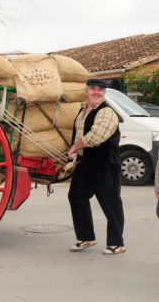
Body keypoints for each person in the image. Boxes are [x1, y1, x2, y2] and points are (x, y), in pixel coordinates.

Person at [67, 78, 126, 255]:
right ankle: (87, 237)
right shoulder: (83, 110)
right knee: (76, 196)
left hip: (105, 164)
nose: (96, 92)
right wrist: (74, 154)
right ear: (86, 91)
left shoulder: (107, 112)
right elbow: (79, 132)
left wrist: (75, 147)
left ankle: (117, 243)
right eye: (93, 89)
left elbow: (96, 136)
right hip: (86, 163)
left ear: (104, 93)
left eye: (100, 89)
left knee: (110, 202)